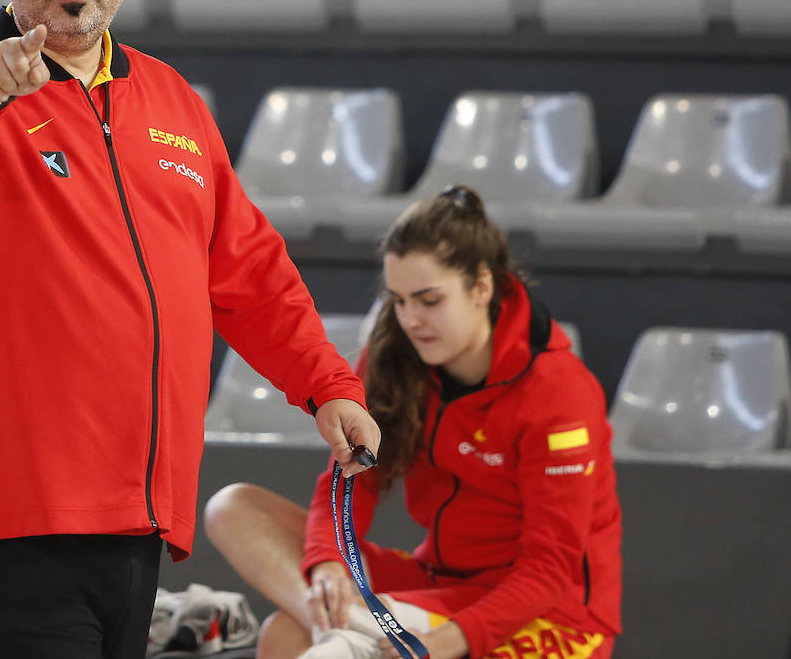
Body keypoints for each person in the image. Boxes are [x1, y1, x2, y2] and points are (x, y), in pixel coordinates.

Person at [0, 0, 381, 659]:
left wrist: (326, 384)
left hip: (139, 517)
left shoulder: (171, 99)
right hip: (11, 513)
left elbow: (248, 268)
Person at [204, 186, 622, 659]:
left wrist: (441, 644)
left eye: (428, 300)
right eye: (398, 300)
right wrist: (327, 565)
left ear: (482, 287)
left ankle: (352, 637)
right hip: (439, 579)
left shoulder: (560, 393)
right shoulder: (393, 356)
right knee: (233, 508)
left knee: (285, 636)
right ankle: (344, 632)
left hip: (550, 612)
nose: (410, 319)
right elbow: (348, 485)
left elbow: (548, 570)